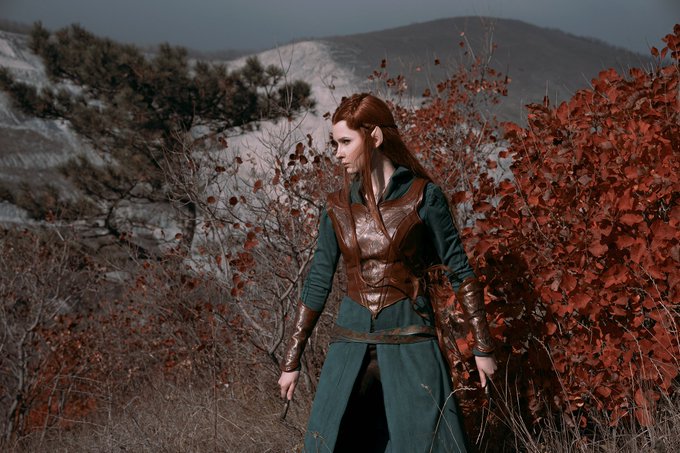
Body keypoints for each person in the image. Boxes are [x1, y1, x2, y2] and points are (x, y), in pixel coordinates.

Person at [278, 93, 497, 452]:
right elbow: (318, 280)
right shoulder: (337, 207)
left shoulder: (424, 197)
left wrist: (482, 347)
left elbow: (460, 270)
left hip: (411, 341)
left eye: (345, 142)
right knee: (329, 443)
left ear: (375, 137)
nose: (338, 153)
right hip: (350, 345)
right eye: (335, 144)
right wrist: (292, 360)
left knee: (427, 444)